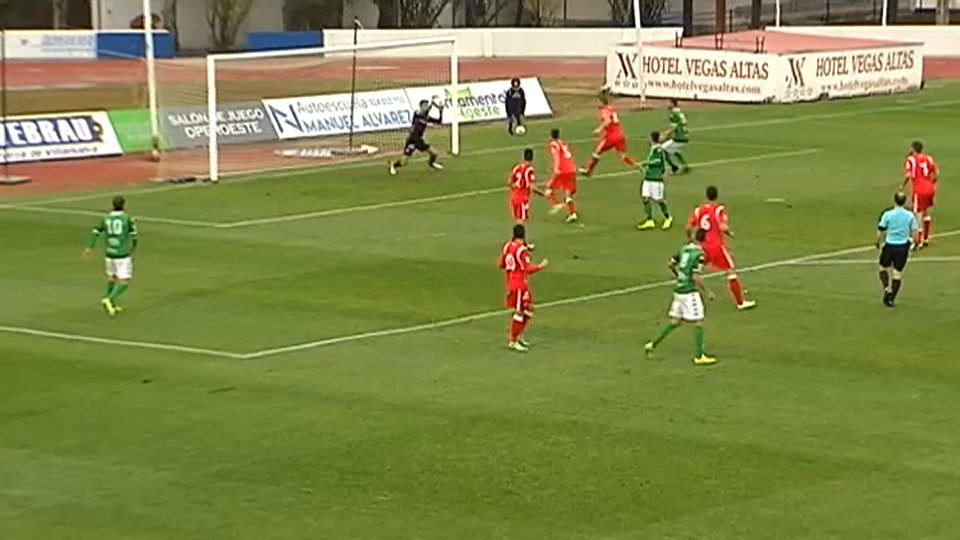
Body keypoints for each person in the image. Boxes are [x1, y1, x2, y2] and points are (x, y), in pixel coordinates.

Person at [644, 228, 717, 365]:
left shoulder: (684, 249)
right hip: (689, 292)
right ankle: (699, 356)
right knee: (698, 321)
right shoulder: (699, 255)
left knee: (675, 321)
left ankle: (652, 344)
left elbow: (670, 264)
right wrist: (707, 292)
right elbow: (696, 277)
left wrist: (679, 276)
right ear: (704, 239)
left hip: (678, 290)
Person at [686, 185, 756, 310]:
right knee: (730, 271)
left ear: (706, 196)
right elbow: (722, 227)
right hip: (716, 246)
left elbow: (688, 227)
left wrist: (691, 239)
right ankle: (740, 303)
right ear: (716, 196)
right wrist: (729, 233)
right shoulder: (718, 209)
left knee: (695, 272)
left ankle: (688, 299)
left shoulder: (698, 210)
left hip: (702, 246)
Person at [83, 196, 138, 316]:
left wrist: (89, 247)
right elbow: (134, 236)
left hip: (109, 253)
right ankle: (108, 299)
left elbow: (95, 232)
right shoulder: (127, 218)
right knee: (124, 281)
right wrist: (133, 248)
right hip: (122, 254)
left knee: (112, 278)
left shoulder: (105, 218)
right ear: (123, 205)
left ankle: (111, 304)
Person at [498, 224, 548, 352]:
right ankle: (513, 340)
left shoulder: (507, 246)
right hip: (519, 284)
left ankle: (518, 335)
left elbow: (501, 264)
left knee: (529, 308)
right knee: (519, 312)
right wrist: (540, 266)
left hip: (513, 282)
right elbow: (527, 269)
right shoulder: (521, 250)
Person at [579, 89, 636, 177]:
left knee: (597, 152)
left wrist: (599, 129)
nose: (596, 104)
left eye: (597, 102)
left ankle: (588, 171)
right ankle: (638, 166)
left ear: (601, 102)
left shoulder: (604, 111)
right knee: (623, 156)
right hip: (620, 135)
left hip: (611, 137)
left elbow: (608, 121)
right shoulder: (611, 108)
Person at [877, 192, 918, 307]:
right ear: (904, 201)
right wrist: (915, 243)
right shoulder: (909, 215)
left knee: (882, 267)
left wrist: (877, 242)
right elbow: (915, 232)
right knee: (897, 273)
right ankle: (892, 298)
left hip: (890, 245)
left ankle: (887, 288)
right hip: (902, 247)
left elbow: (880, 230)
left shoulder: (888, 214)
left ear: (894, 201)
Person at [900, 140, 938, 249]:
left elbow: (909, 174)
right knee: (926, 212)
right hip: (930, 188)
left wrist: (902, 185)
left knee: (918, 214)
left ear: (913, 149)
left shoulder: (911, 159)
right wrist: (931, 183)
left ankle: (918, 241)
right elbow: (936, 173)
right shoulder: (928, 158)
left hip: (919, 190)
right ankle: (926, 238)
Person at [389, 99, 444, 175]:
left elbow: (439, 121)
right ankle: (393, 165)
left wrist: (441, 111)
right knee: (403, 162)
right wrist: (432, 104)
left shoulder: (427, 117)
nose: (426, 107)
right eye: (424, 105)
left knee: (434, 153)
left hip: (419, 139)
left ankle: (431, 163)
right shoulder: (417, 113)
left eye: (426, 105)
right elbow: (423, 112)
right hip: (412, 139)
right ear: (420, 106)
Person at [637, 131, 675, 231]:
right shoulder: (653, 149)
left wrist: (646, 163)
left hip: (656, 179)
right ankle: (649, 220)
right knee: (645, 198)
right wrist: (645, 168)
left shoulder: (658, 149)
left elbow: (657, 162)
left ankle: (668, 217)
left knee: (659, 200)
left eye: (649, 138)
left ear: (652, 138)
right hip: (648, 178)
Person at [545, 128, 579, 223]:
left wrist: (556, 168)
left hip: (562, 170)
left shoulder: (553, 145)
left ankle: (556, 204)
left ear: (551, 136)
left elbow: (556, 157)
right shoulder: (562, 143)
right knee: (568, 193)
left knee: (549, 188)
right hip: (571, 169)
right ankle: (573, 213)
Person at [508, 149, 538, 228]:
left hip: (514, 197)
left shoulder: (517, 167)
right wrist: (543, 194)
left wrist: (516, 189)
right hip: (522, 198)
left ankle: (517, 235)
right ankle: (518, 236)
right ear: (532, 158)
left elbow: (509, 182)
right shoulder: (529, 169)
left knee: (517, 219)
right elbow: (532, 187)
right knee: (521, 221)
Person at [661, 99, 690, 174]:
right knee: (676, 152)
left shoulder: (673, 114)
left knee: (662, 149)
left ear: (672, 104)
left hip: (679, 138)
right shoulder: (679, 112)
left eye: (668, 103)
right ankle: (685, 166)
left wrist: (665, 135)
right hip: (685, 136)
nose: (667, 105)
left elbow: (674, 127)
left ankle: (674, 167)